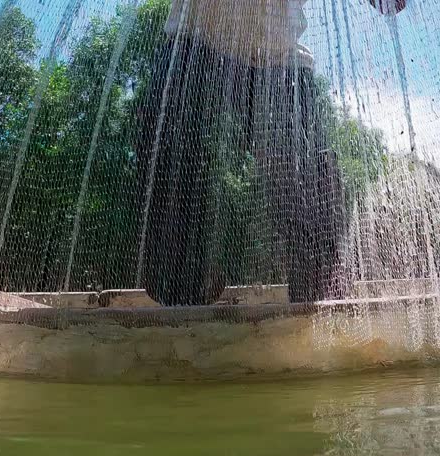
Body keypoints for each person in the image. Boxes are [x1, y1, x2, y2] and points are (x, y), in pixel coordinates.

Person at [136, 0, 407, 306]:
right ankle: (186, 284)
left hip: (278, 56)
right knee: (167, 149)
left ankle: (322, 305)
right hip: (196, 42)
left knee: (310, 188)